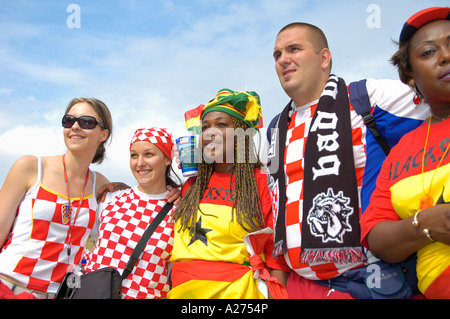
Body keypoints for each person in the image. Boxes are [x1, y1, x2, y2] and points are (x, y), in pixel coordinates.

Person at [266, 20, 432, 298]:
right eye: (277, 54)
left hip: (371, 281)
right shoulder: (275, 127)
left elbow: (438, 101)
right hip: (303, 286)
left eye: (293, 49)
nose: (284, 59)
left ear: (324, 58)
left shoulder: (367, 97)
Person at [360, 7, 450, 299]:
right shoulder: (402, 151)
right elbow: (376, 236)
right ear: (409, 75)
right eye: (428, 52)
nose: (445, 56)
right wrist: (423, 226)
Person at [168, 89, 290, 299]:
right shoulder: (192, 184)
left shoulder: (260, 182)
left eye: (221, 124)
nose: (209, 132)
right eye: (205, 127)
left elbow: (276, 254)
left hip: (237, 294)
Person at [0, 98, 112, 299]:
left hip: (60, 294)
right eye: (69, 120)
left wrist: (171, 190)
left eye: (86, 122)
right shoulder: (31, 168)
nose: (75, 126)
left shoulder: (101, 185)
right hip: (9, 286)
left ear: (103, 134)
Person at [84, 127, 181, 299]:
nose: (140, 162)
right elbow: (76, 236)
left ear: (167, 159)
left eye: (149, 154)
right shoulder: (111, 198)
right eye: (134, 155)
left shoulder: (180, 209)